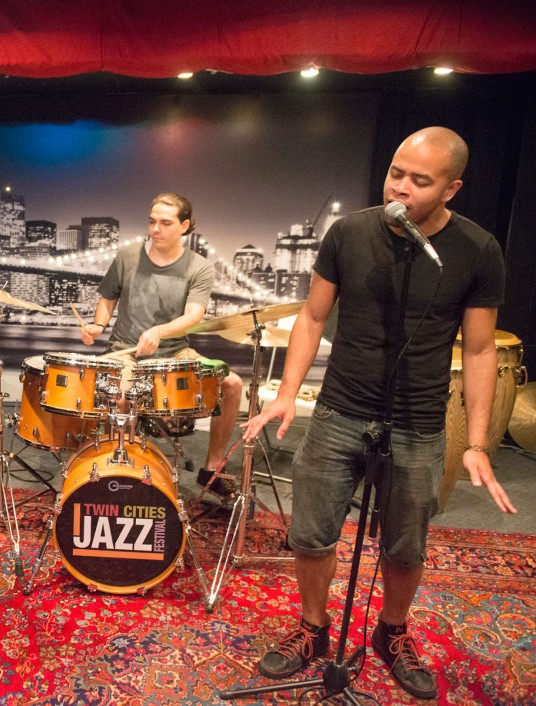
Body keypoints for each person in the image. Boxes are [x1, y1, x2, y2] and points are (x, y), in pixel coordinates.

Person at [241, 127, 517, 700]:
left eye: (420, 181)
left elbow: (482, 348)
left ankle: (392, 630)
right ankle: (313, 628)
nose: (402, 188)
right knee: (311, 533)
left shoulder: (477, 249)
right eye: (397, 173)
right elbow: (313, 319)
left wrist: (478, 443)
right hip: (340, 410)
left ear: (452, 188)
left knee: (404, 546)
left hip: (417, 422)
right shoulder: (348, 232)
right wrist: (288, 392)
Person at [81, 192, 244, 498]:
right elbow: (108, 298)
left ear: (184, 226)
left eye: (165, 223)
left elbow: (194, 315)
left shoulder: (200, 267)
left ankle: (212, 469)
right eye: (152, 221)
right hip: (126, 349)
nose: (155, 229)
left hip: (176, 350)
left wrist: (160, 331)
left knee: (233, 384)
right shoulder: (127, 256)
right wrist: (97, 325)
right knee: (122, 395)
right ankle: (121, 471)